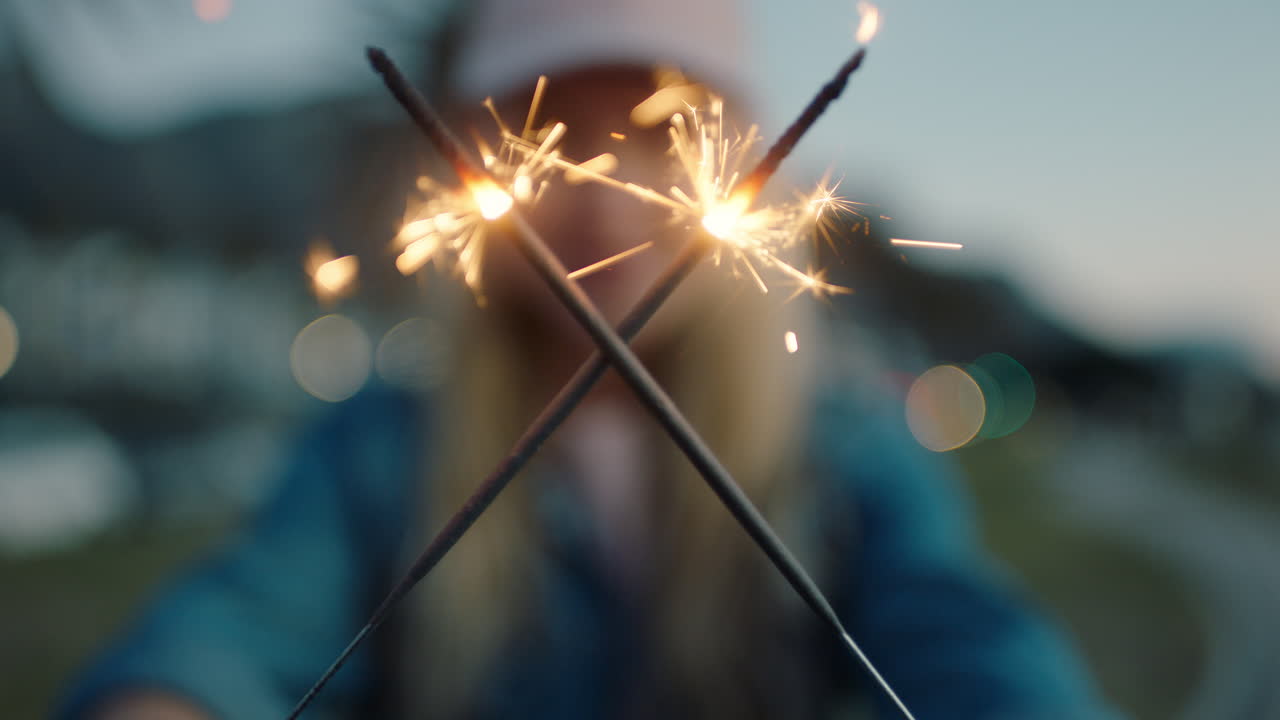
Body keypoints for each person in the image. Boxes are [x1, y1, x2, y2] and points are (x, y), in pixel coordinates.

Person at [60, 1, 1125, 718]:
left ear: (745, 170)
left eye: (660, 134)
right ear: (465, 167)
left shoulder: (850, 458)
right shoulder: (377, 454)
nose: (605, 194)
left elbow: (965, 639)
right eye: (548, 131)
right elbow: (230, 635)